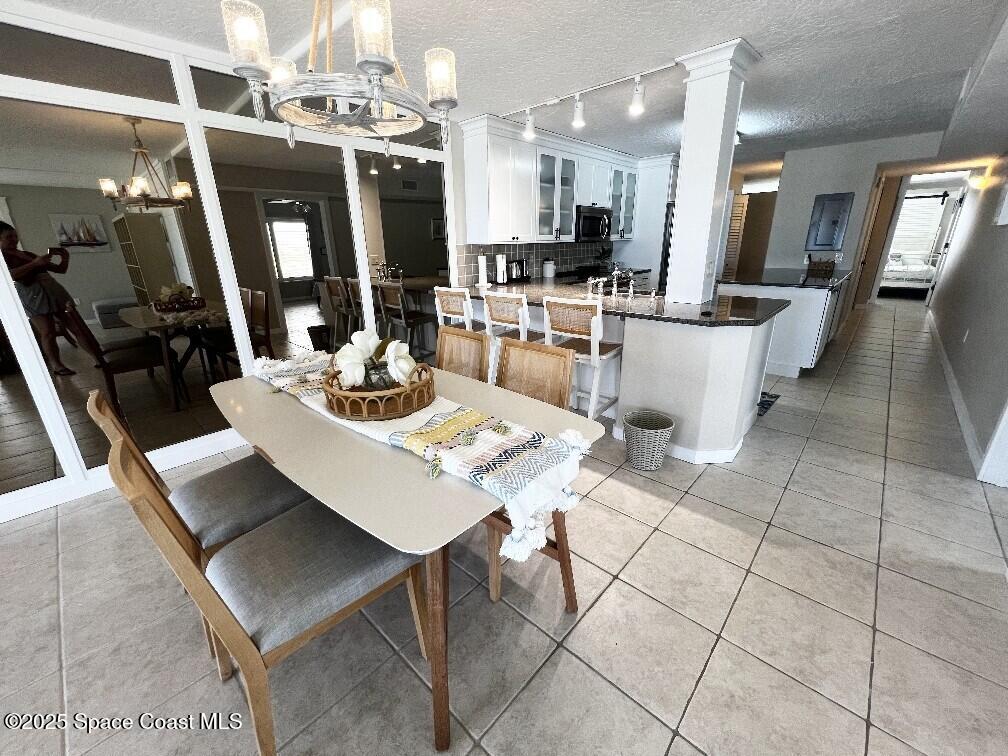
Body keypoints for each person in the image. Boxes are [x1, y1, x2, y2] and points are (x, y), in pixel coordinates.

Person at [1, 220, 106, 376]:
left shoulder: (26, 254)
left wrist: (64, 256)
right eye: (9, 237)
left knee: (76, 327)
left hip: (52, 289)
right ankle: (57, 365)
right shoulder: (2, 258)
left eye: (15, 236)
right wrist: (35, 264)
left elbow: (60, 269)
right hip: (33, 294)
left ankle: (98, 359)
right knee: (48, 332)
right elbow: (7, 277)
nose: (14, 240)